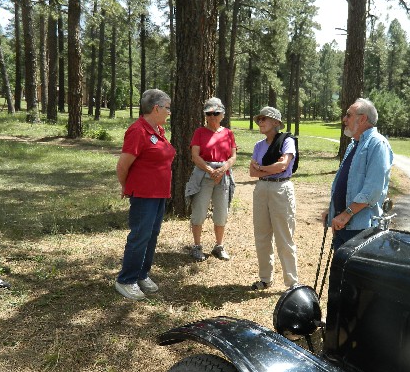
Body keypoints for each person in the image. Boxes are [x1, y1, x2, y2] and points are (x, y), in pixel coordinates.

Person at [115, 89, 176, 300]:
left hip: (159, 194)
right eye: (167, 108)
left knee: (152, 235)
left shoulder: (158, 130)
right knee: (140, 236)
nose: (169, 112)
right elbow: (122, 165)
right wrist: (127, 186)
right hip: (144, 194)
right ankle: (126, 279)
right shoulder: (137, 130)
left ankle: (142, 274)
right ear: (156, 108)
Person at [323, 98, 393, 251]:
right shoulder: (354, 145)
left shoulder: (377, 144)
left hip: (361, 229)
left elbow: (373, 190)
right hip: (344, 225)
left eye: (348, 115)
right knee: (338, 274)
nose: (344, 119)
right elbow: (348, 183)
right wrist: (333, 210)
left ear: (362, 119)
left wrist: (346, 214)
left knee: (352, 275)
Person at [249, 106, 299, 291]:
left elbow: (283, 165)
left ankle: (292, 283)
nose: (261, 122)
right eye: (259, 119)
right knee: (262, 235)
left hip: (281, 188)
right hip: (261, 188)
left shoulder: (287, 141)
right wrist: (267, 168)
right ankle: (265, 278)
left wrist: (262, 168)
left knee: (284, 237)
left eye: (264, 119)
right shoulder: (258, 146)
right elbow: (252, 172)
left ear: (276, 123)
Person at [185, 97, 237, 262]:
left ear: (222, 114)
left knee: (221, 213)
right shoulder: (199, 132)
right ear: (205, 115)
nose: (213, 116)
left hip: (222, 177)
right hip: (203, 176)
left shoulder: (228, 133)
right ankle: (197, 246)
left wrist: (223, 168)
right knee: (199, 212)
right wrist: (209, 169)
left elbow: (233, 156)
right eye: (209, 113)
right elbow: (195, 156)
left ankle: (219, 246)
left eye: (216, 113)